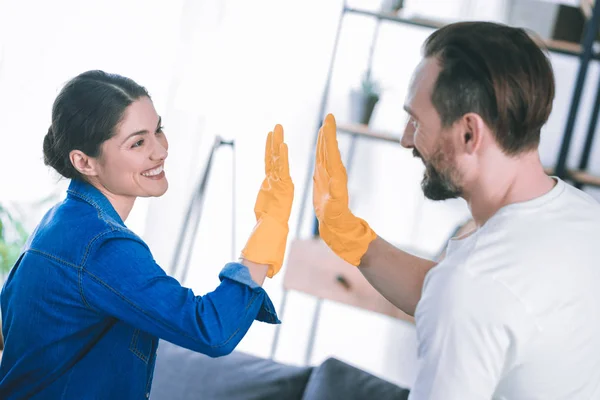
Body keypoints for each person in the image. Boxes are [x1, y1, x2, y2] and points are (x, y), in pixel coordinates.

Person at [313, 22, 600, 399]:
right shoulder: (585, 219)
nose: (405, 138)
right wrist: (351, 236)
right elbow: (482, 307)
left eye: (415, 121)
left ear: (469, 133)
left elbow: (469, 299)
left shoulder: (472, 286)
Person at [0, 70, 294, 399]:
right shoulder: (101, 245)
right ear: (85, 162)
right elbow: (212, 330)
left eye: (158, 131)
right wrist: (267, 232)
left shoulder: (61, 220)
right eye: (138, 142)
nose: (161, 151)